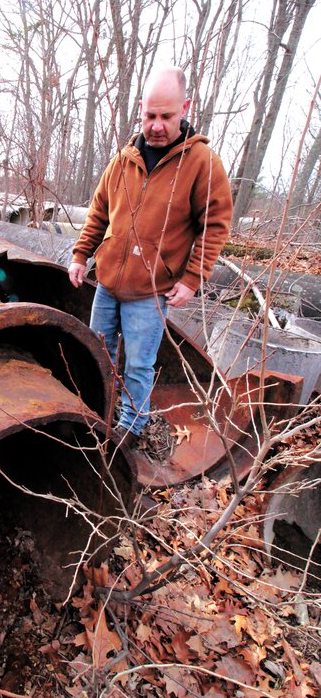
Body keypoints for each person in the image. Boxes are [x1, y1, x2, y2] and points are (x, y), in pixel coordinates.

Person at [68, 67, 233, 448]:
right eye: (150, 116)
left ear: (185, 109)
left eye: (167, 116)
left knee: (138, 366)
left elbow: (215, 225)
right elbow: (99, 213)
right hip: (108, 285)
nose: (157, 126)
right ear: (140, 110)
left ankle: (131, 426)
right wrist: (81, 255)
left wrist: (192, 279)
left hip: (151, 291)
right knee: (98, 353)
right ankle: (99, 410)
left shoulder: (202, 163)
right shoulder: (124, 159)